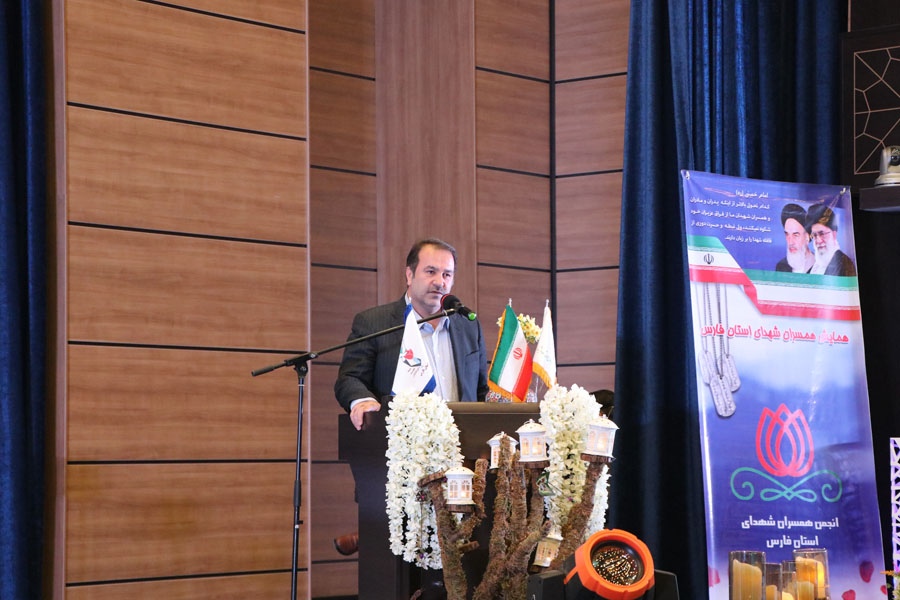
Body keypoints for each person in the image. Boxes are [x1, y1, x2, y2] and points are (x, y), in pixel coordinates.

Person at [334, 238, 489, 431]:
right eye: (430, 272)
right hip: (400, 441)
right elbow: (350, 378)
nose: (440, 282)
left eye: (447, 274)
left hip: (462, 441)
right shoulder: (374, 323)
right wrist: (363, 401)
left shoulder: (468, 326)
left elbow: (481, 390)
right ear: (409, 275)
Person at [805, 204, 856, 276]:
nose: (818, 240)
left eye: (822, 233)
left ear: (834, 234)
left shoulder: (845, 264)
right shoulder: (813, 269)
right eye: (815, 235)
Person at [775, 203, 814, 273]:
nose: (790, 242)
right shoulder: (781, 266)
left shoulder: (819, 266)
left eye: (795, 235)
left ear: (807, 237)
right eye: (787, 234)